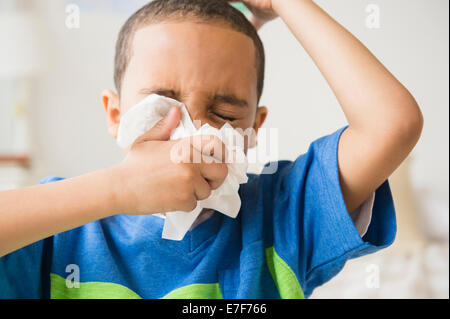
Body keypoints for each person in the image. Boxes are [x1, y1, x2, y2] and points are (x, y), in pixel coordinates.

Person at [0, 0, 423, 298]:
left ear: (255, 128)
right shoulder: (57, 229)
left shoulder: (283, 217)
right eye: (162, 105)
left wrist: (285, 3)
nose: (196, 132)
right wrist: (118, 189)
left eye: (224, 112)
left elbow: (392, 123)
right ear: (115, 113)